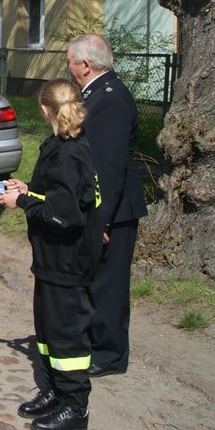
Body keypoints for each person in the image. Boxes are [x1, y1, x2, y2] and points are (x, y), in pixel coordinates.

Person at [0, 78, 102, 430]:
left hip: (68, 261)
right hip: (52, 260)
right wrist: (30, 190)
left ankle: (76, 407)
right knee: (47, 331)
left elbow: (66, 214)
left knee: (66, 335)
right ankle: (54, 390)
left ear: (45, 110)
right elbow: (58, 195)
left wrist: (22, 202)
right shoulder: (62, 145)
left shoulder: (71, 153)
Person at [66, 34, 147, 377]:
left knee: (110, 283)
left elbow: (108, 168)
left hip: (115, 209)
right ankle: (96, 341)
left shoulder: (109, 99)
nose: (67, 68)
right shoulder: (98, 93)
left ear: (84, 65)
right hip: (105, 206)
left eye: (69, 62)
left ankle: (109, 353)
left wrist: (103, 223)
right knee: (96, 279)